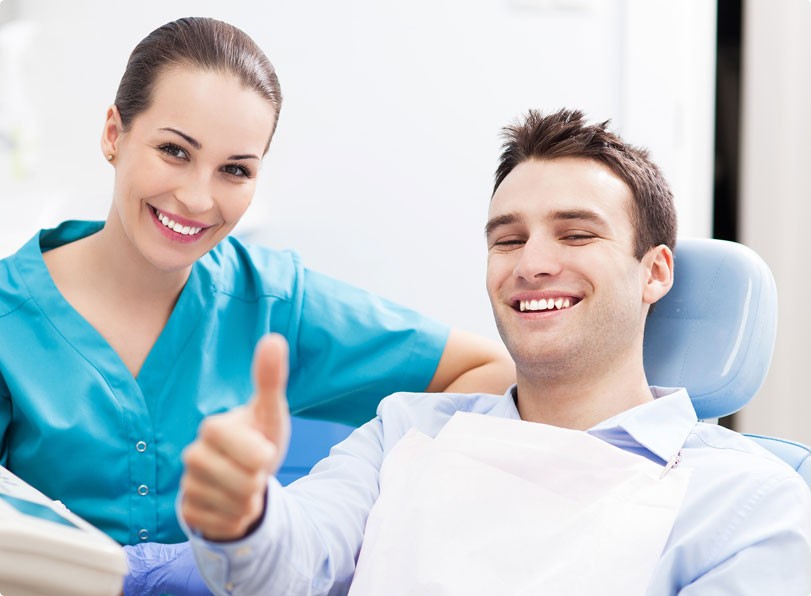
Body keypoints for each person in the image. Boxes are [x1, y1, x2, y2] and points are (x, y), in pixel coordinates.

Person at [176, 108, 811, 595]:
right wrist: (245, 517)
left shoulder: (747, 504)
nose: (532, 264)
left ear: (656, 272)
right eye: (508, 240)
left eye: (576, 234)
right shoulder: (404, 431)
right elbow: (295, 561)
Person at [0, 15, 514, 560]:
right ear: (113, 134)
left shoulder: (272, 301)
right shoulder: (11, 317)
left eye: (235, 170)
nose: (197, 198)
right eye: (174, 151)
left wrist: (341, 499)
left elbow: (489, 372)